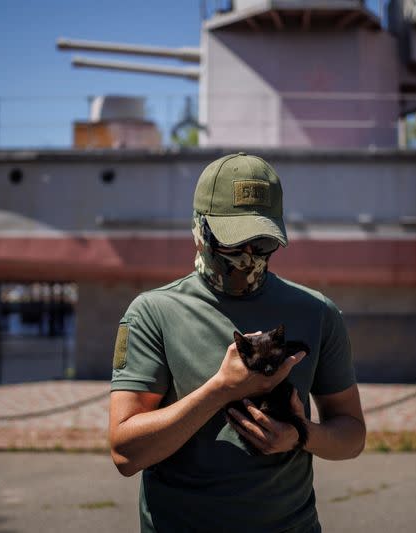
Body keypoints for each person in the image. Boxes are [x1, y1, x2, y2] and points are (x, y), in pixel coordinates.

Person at [109, 152, 366, 532]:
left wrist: (300, 435)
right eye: (233, 243)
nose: (248, 257)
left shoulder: (317, 313)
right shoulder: (152, 313)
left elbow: (352, 435)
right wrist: (221, 389)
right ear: (199, 230)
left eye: (262, 244)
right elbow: (125, 453)